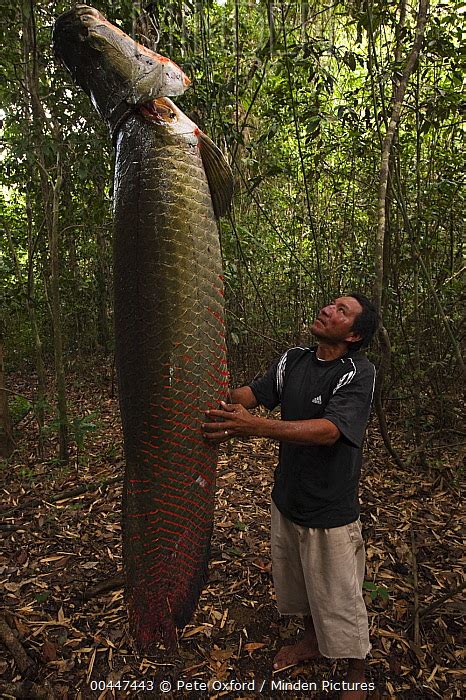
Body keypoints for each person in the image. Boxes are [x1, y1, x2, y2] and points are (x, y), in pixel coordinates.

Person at [202, 293, 378, 700]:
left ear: (353, 335)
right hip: (288, 498)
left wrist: (255, 427)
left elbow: (331, 430)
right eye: (331, 304)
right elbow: (256, 393)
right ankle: (311, 642)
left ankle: (356, 673)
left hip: (329, 507)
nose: (328, 310)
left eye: (341, 311)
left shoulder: (357, 372)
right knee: (300, 585)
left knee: (340, 595)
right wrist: (215, 397)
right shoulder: (294, 359)